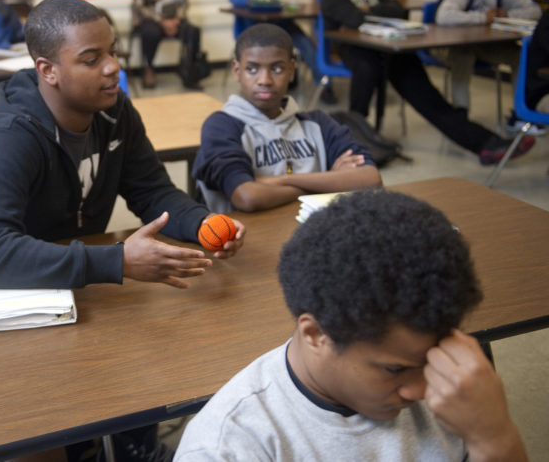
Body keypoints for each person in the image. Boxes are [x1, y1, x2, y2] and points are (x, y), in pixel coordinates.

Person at [0, 0, 245, 461]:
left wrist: (203, 223)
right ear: (48, 70)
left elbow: (153, 193)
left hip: (68, 283)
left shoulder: (116, 111)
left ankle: (126, 445)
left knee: (147, 345)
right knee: (48, 428)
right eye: (91, 58)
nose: (112, 67)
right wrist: (115, 261)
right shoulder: (12, 133)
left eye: (113, 51)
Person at [174, 189, 529, 462]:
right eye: (394, 369)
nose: (422, 390)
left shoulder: (456, 395)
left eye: (435, 356)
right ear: (316, 334)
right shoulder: (229, 447)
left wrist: (494, 439)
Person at [321, 0, 535, 166]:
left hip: (391, 49)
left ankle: (486, 144)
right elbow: (354, 18)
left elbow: (400, 12)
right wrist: (371, 13)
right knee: (367, 69)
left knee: (429, 98)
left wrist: (371, 10)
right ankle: (356, 144)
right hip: (357, 50)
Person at [193, 24, 381, 213]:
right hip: (249, 238)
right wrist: (328, 180)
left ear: (291, 70)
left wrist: (281, 181)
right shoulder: (221, 126)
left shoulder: (318, 123)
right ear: (237, 70)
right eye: (252, 69)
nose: (264, 80)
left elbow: (370, 179)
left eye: (276, 69)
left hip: (312, 232)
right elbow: (248, 197)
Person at [436, 0, 541, 133]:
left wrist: (509, 14)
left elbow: (535, 11)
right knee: (463, 55)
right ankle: (461, 113)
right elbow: (443, 16)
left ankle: (521, 112)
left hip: (486, 46)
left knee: (519, 55)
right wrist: (482, 18)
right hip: (456, 46)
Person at [229, 0, 337, 104]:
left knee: (309, 47)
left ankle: (325, 87)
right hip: (254, 31)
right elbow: (239, 0)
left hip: (281, 25)